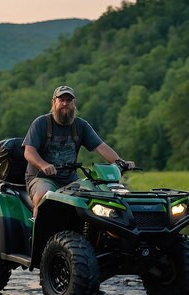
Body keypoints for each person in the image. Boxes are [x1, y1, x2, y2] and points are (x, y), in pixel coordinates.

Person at [23, 85, 135, 217]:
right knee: (44, 197)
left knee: (95, 196)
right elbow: (29, 152)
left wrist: (120, 162)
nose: (65, 103)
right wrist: (44, 165)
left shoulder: (80, 126)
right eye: (61, 100)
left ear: (74, 103)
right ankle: (39, 236)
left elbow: (101, 147)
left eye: (69, 101)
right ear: (54, 102)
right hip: (41, 178)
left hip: (70, 178)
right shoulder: (41, 123)